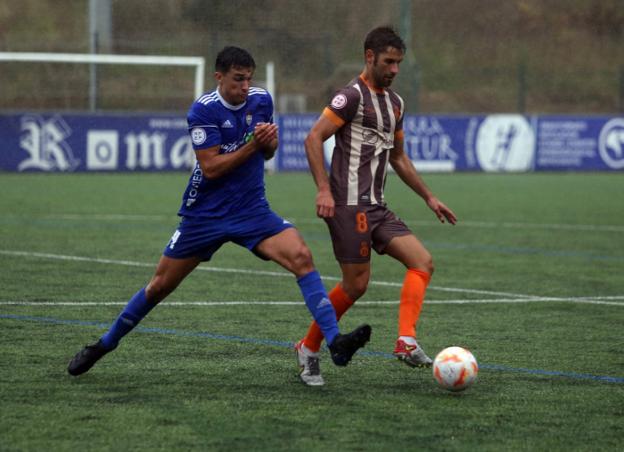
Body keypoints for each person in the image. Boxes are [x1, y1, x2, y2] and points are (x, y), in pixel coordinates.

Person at [67, 46, 371, 377]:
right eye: (238, 80)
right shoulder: (203, 110)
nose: (244, 87)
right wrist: (253, 145)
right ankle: (104, 344)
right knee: (157, 287)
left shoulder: (261, 101)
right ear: (219, 77)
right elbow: (211, 168)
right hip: (205, 215)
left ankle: (335, 343)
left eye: (248, 80)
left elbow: (268, 154)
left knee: (301, 255)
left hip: (251, 210)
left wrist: (267, 143)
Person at [294, 27, 457, 386]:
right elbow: (313, 138)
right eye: (388, 62)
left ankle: (406, 340)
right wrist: (323, 190)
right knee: (356, 285)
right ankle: (308, 349)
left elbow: (398, 157)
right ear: (369, 57)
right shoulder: (350, 97)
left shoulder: (396, 104)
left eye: (398, 62)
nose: (395, 69)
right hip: (348, 207)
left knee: (422, 261)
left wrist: (429, 197)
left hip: (378, 207)